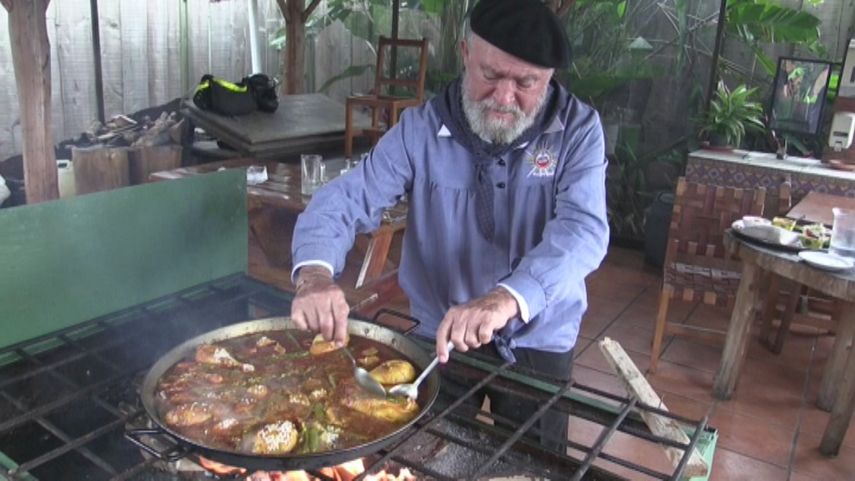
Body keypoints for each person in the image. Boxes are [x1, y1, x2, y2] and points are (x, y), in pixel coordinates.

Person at [290, 0, 609, 449]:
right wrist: (315, 274)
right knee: (423, 454)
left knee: (533, 465)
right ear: (464, 53)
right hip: (439, 334)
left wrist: (506, 298)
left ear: (549, 78)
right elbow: (348, 196)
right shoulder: (419, 129)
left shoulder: (578, 131)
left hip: (538, 335)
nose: (503, 97)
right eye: (491, 75)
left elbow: (582, 231)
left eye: (525, 83)